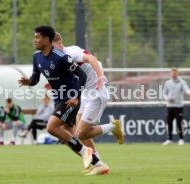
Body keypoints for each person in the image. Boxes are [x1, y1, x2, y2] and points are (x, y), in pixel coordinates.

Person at [18, 25, 94, 171]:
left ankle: (86, 151)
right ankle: (97, 162)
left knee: (52, 127)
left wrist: (76, 97)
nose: (34, 40)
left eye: (38, 37)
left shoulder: (61, 57)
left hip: (70, 99)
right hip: (58, 100)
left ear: (47, 39)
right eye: (34, 37)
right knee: (67, 136)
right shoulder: (37, 56)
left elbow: (82, 75)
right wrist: (29, 82)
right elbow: (35, 78)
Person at [53, 32, 124, 175]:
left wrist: (100, 76)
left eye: (53, 48)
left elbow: (92, 58)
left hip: (96, 94)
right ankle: (98, 163)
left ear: (59, 43)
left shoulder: (71, 53)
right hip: (86, 94)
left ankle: (112, 127)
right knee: (80, 133)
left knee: (81, 133)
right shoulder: (62, 58)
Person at [162, 68, 190, 146]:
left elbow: (186, 89)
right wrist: (167, 99)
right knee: (169, 123)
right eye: (172, 73)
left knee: (179, 124)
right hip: (170, 106)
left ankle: (181, 139)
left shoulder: (182, 82)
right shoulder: (167, 83)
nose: (173, 74)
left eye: (175, 73)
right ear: (170, 74)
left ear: (177, 74)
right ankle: (169, 139)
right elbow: (164, 93)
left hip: (178, 106)